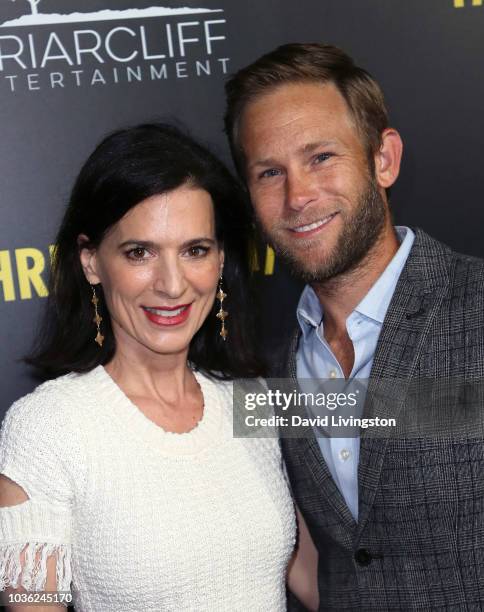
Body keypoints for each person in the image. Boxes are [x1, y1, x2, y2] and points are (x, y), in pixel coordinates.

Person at [0, 123, 317, 612]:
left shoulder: (251, 401)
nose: (172, 284)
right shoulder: (43, 430)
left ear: (220, 259)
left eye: (195, 250)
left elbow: (309, 574)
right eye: (139, 252)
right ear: (90, 261)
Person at [224, 43, 484, 610]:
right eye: (270, 172)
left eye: (320, 157)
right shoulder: (264, 376)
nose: (298, 197)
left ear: (383, 159)